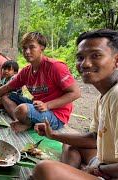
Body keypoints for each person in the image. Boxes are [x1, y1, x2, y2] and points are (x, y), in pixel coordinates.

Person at [32, 29, 118, 180]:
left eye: (96, 55)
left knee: (45, 169)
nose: (85, 64)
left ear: (116, 61)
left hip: (111, 172)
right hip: (105, 163)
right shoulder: (104, 96)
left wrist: (97, 170)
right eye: (80, 57)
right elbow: (94, 139)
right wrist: (54, 135)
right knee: (70, 143)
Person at [0, 32, 81, 133]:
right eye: (24, 48)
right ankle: (21, 120)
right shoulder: (27, 71)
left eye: (32, 47)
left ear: (42, 49)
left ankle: (25, 120)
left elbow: (75, 93)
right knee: (5, 97)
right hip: (37, 106)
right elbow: (6, 87)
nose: (27, 51)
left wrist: (47, 105)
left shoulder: (55, 67)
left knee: (22, 109)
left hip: (56, 115)